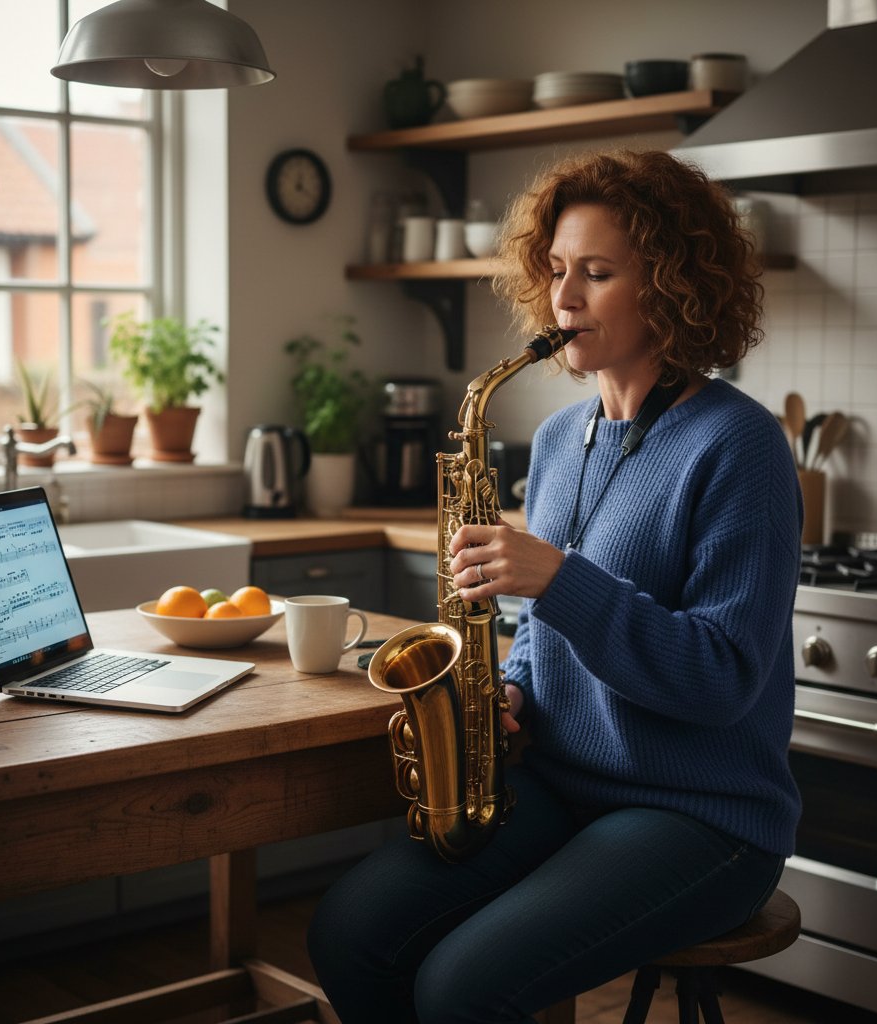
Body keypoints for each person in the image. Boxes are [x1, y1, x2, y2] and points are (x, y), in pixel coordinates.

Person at [307, 149, 802, 1024]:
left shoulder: (742, 446)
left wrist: (562, 580)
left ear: (675, 287)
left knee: (463, 987)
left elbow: (723, 678)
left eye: (599, 273)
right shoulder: (561, 436)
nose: (564, 298)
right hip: (563, 784)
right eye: (559, 269)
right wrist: (513, 688)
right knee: (351, 930)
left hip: (699, 816)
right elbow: (539, 631)